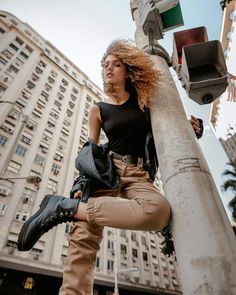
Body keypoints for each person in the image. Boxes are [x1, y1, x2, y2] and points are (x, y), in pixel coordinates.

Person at [17, 40, 203, 295]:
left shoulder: (145, 102)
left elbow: (166, 128)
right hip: (108, 171)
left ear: (128, 70)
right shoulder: (98, 109)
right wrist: (81, 185)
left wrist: (188, 127)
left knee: (158, 212)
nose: (109, 68)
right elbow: (90, 151)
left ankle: (63, 208)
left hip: (138, 175)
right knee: (83, 238)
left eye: (116, 64)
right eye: (106, 64)